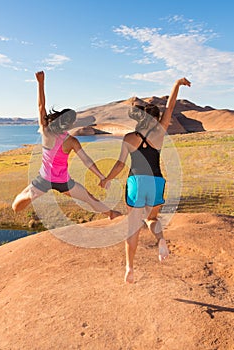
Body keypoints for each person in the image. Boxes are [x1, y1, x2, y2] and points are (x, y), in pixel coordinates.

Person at [100, 77, 191, 283]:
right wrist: (176, 84)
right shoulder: (160, 132)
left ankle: (130, 268)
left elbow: (120, 165)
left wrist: (106, 179)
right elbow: (170, 108)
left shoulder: (129, 138)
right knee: (152, 219)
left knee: (133, 226)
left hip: (136, 183)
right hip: (156, 181)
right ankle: (160, 240)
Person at [12, 71, 121, 221]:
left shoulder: (46, 132)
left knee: (15, 207)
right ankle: (111, 214)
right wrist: (102, 177)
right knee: (89, 198)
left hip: (44, 179)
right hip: (63, 181)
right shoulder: (71, 141)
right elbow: (87, 161)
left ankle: (31, 194)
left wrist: (40, 83)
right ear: (70, 124)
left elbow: (41, 107)